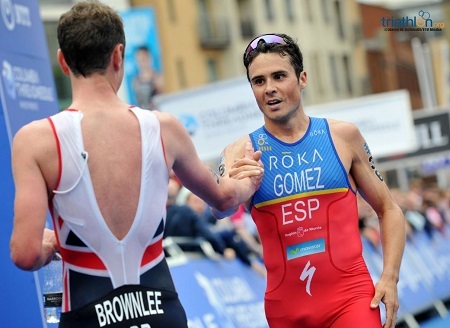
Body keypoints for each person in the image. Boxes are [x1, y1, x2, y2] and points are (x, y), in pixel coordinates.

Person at [8, 2, 263, 327]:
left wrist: (58, 242)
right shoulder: (164, 128)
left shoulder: (37, 140)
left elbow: (25, 254)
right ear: (118, 55)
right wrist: (248, 178)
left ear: (62, 61)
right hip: (161, 311)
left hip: (89, 314)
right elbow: (224, 199)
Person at [215, 33, 406, 328]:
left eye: (279, 76)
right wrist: (236, 187)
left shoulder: (343, 137)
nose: (270, 89)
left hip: (351, 301)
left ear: (302, 78)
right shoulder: (240, 152)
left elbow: (389, 209)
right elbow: (219, 210)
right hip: (286, 310)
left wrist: (390, 278)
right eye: (259, 81)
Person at [132, 45, 164, 110]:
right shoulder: (135, 81)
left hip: (157, 113)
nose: (141, 62)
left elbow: (163, 98)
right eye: (139, 59)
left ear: (149, 57)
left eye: (143, 59)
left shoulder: (158, 77)